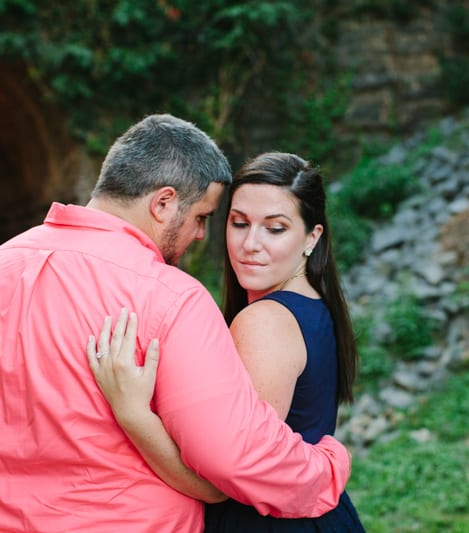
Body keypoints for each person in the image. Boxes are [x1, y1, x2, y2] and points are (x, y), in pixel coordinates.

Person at [0, 115, 350, 532]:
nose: (199, 236)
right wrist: (326, 469)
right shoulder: (170, 298)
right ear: (163, 203)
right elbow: (231, 457)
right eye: (204, 217)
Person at [87, 152, 366, 531]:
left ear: (311, 237)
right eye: (239, 223)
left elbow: (226, 474)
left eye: (275, 228)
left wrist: (133, 412)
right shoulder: (314, 305)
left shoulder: (265, 321)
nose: (251, 243)